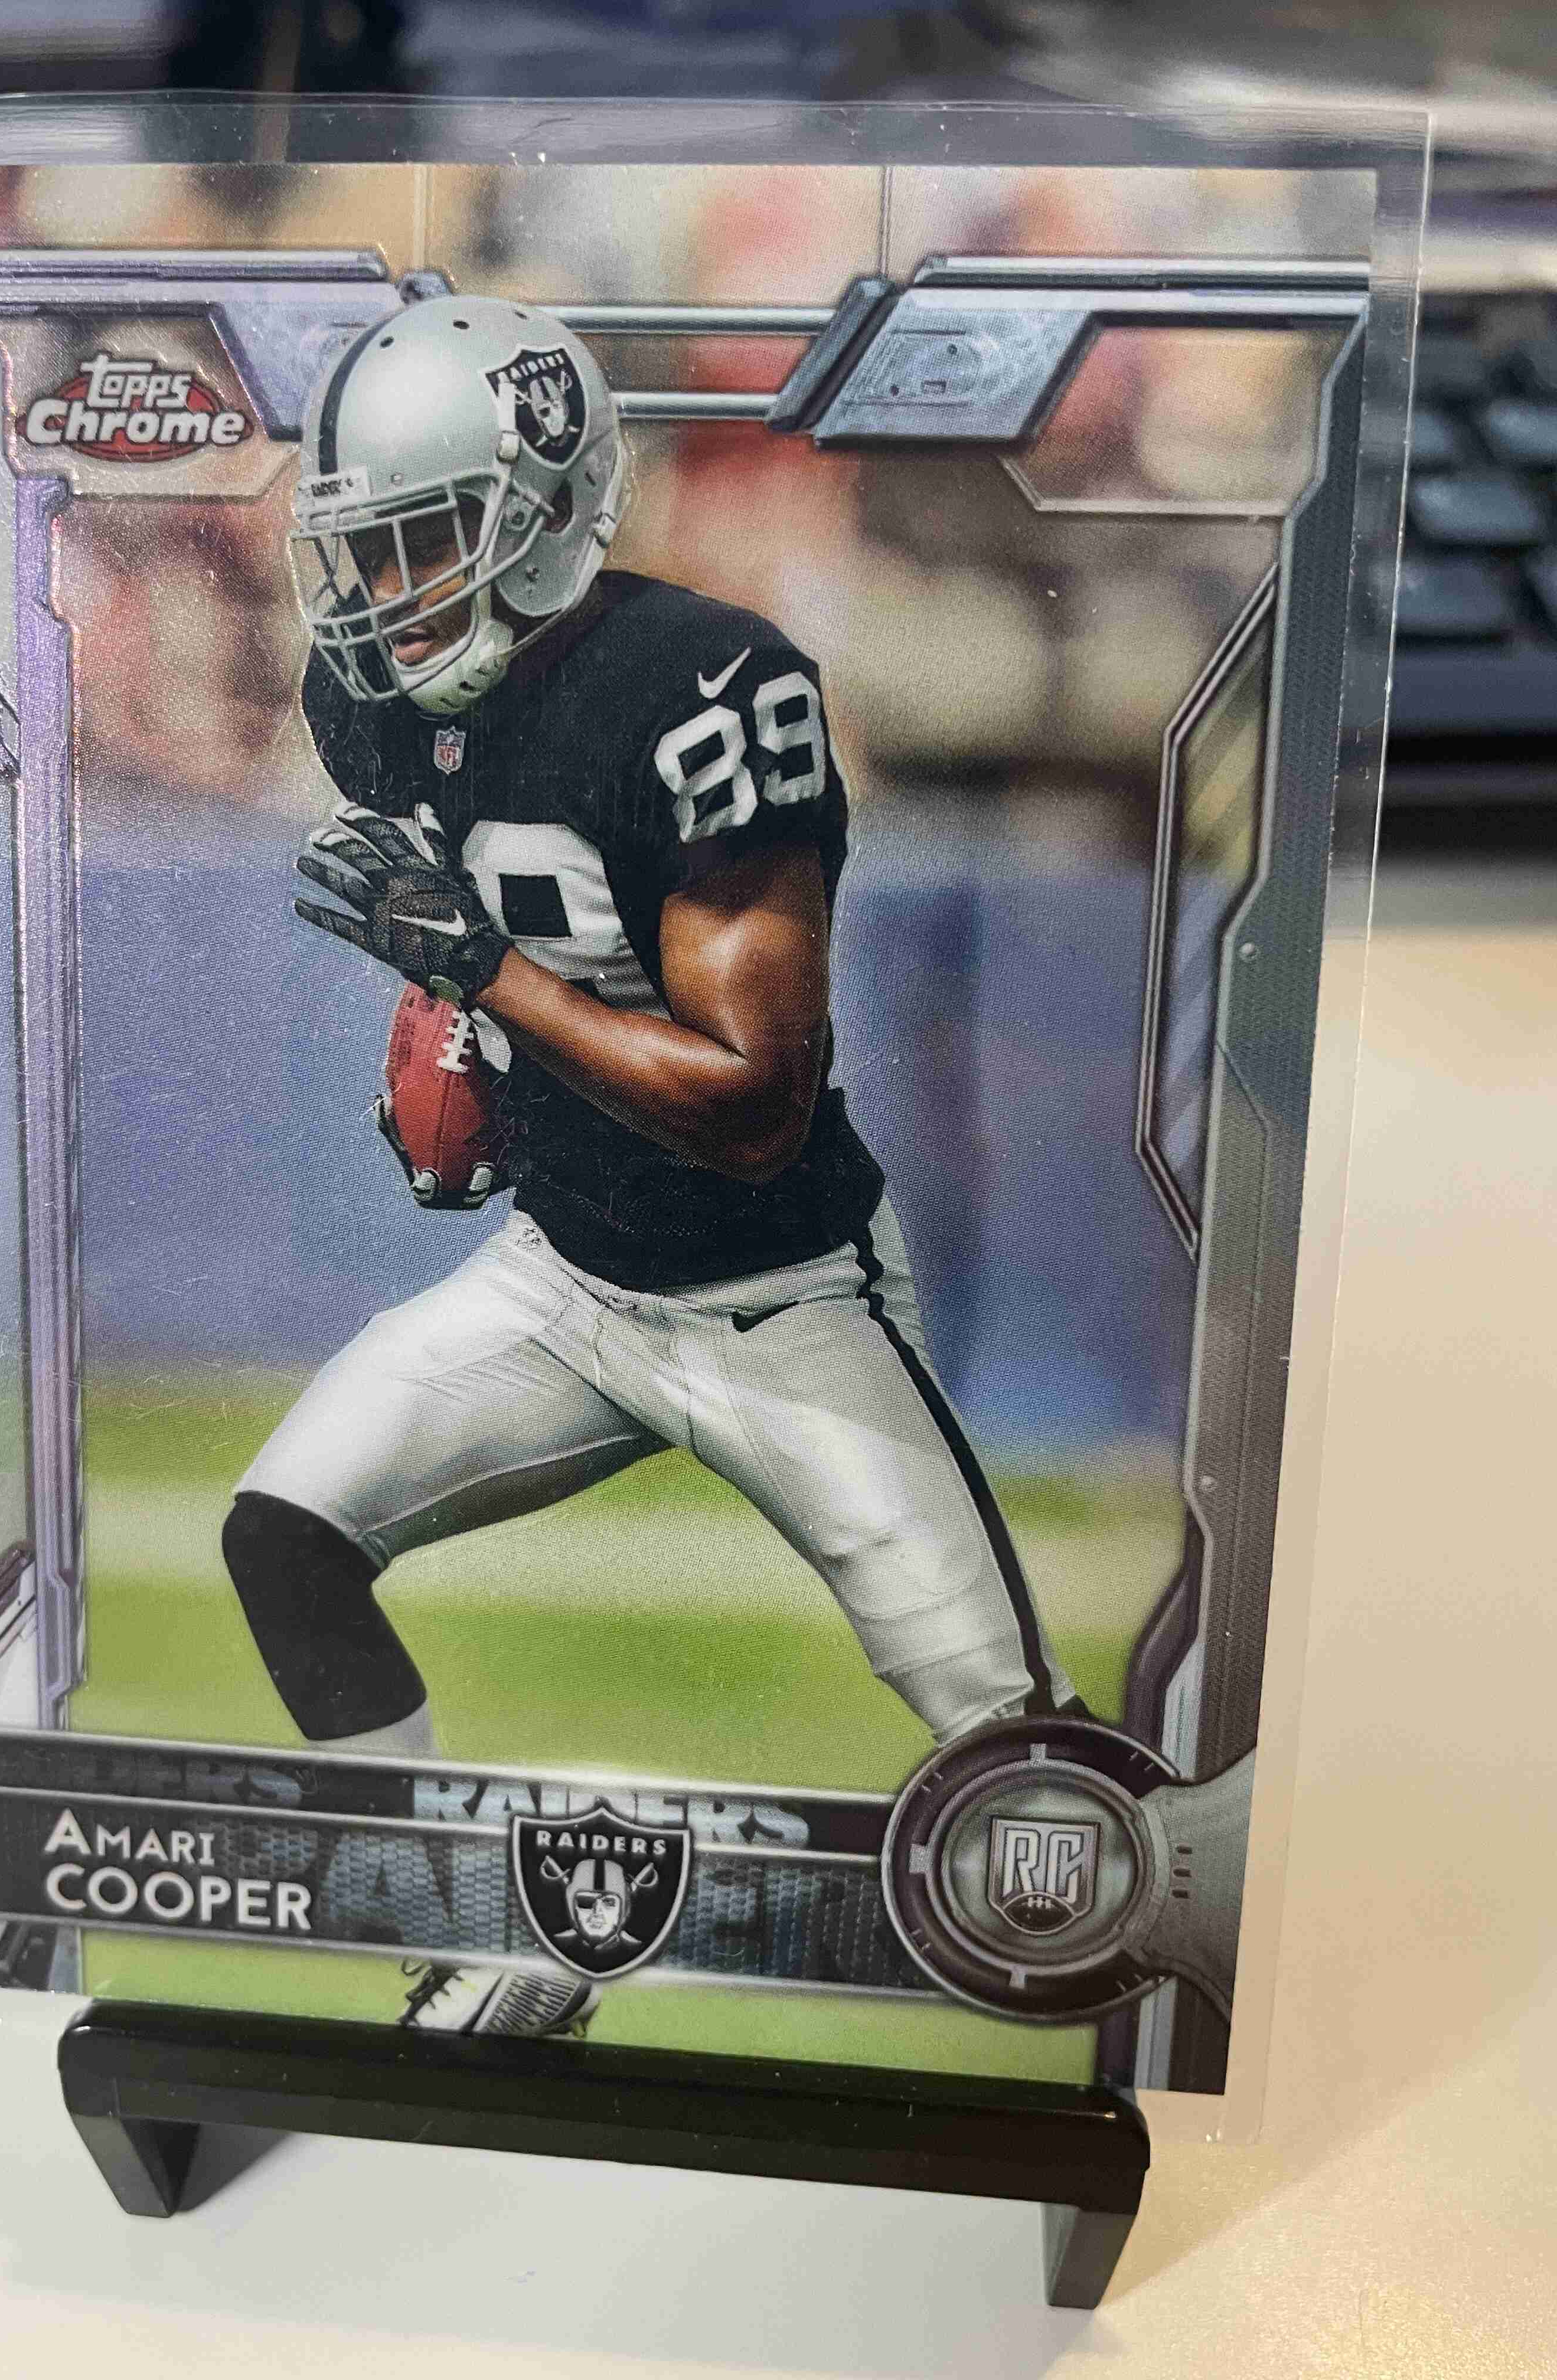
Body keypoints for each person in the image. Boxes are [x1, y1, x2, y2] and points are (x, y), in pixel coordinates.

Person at [221, 293, 1080, 2036]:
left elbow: (756, 1100)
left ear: (543, 515)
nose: (382, 594)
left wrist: (486, 978)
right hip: (570, 1276)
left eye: (424, 540)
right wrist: (462, 1049)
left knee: (1025, 1770)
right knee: (284, 1537)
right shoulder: (371, 701)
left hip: (784, 1295)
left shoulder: (708, 690)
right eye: (362, 551)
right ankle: (475, 1943)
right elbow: (477, 947)